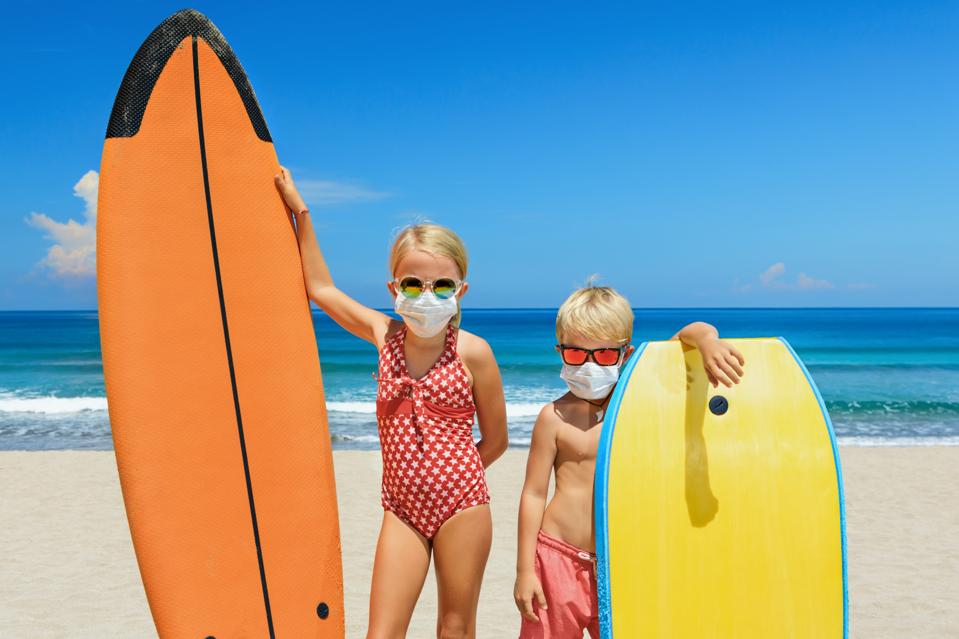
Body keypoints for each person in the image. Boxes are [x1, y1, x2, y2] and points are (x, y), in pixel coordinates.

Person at [274, 167, 509, 638]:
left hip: (462, 505)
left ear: (460, 290)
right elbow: (320, 289)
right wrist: (301, 211)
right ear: (393, 289)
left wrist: (452, 478)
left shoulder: (474, 352)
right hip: (400, 508)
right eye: (412, 284)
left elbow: (498, 442)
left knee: (455, 629)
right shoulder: (384, 336)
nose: (427, 295)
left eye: (442, 285)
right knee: (381, 634)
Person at [514, 285, 745, 638]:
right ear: (560, 352)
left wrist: (708, 340)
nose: (590, 365)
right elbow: (533, 494)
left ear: (626, 354)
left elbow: (688, 333)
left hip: (621, 558)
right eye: (577, 354)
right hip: (557, 557)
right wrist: (525, 570)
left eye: (604, 355)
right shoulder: (553, 418)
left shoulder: (638, 405)